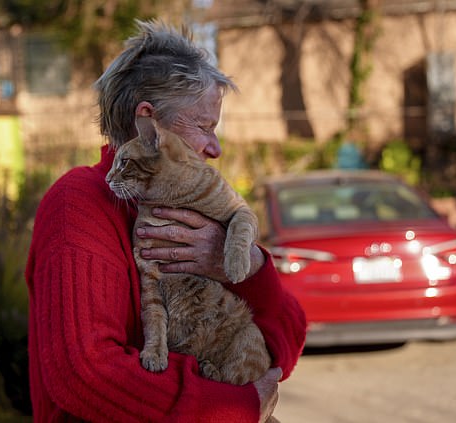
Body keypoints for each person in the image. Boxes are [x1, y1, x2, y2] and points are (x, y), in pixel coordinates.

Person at [25, 20, 307, 422]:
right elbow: (84, 374)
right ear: (151, 125)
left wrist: (251, 268)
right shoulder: (79, 205)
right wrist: (228, 407)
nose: (215, 147)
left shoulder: (196, 203)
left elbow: (285, 350)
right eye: (205, 126)